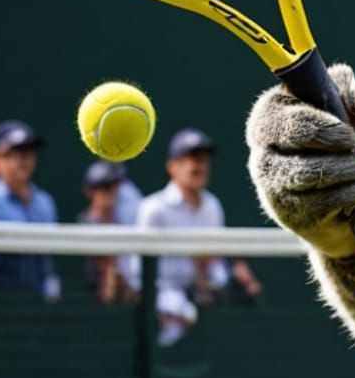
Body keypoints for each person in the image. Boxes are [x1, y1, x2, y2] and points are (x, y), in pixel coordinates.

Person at [137, 129, 262, 345]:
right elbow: (140, 269)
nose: (200, 166)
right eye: (192, 158)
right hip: (161, 294)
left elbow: (211, 259)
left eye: (204, 160)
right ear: (172, 166)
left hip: (199, 290)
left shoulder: (212, 206)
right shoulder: (153, 209)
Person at [0, 120, 59, 299]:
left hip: (41, 306)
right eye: (13, 153)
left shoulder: (45, 202)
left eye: (28, 151)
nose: (22, 159)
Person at [77, 159, 141, 303]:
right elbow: (106, 292)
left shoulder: (127, 212)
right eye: (105, 188)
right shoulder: (87, 225)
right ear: (90, 192)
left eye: (114, 187)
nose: (111, 193)